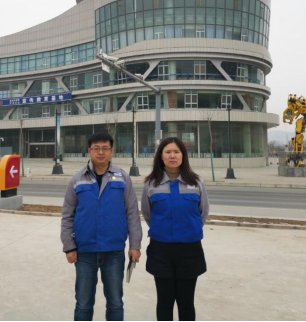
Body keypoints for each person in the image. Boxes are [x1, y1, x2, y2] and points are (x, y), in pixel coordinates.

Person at [61, 133, 143, 322]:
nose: (100, 152)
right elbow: (67, 216)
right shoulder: (77, 179)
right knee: (83, 304)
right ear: (89, 151)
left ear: (111, 151)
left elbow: (132, 213)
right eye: (96, 148)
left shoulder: (122, 178)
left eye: (105, 148)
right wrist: (69, 246)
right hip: (84, 252)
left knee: (115, 303)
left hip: (113, 251)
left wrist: (135, 245)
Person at [141, 137, 210, 322]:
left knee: (186, 302)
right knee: (164, 301)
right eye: (168, 152)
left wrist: (189, 230)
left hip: (190, 250)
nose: (172, 156)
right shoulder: (151, 183)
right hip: (161, 250)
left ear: (183, 155)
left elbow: (203, 212)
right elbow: (147, 213)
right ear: (161, 156)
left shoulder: (196, 182)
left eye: (176, 152)